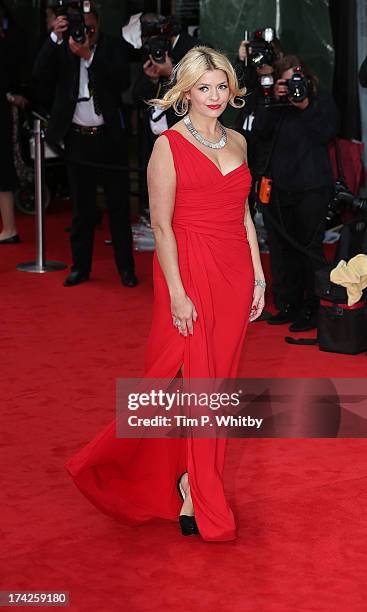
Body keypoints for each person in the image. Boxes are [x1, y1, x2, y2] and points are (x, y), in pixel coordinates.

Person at [64, 46, 266, 542]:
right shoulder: (168, 146)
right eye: (204, 88)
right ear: (186, 91)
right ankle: (196, 487)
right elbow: (160, 224)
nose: (215, 96)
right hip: (190, 271)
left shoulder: (239, 141)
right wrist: (176, 292)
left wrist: (260, 276)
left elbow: (243, 217)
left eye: (222, 86)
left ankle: (191, 480)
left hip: (236, 274)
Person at [33, 3, 137, 287]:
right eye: (81, 28)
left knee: (118, 206)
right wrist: (55, 38)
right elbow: (39, 74)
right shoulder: (63, 48)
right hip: (77, 138)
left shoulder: (112, 48)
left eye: (90, 28)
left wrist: (89, 56)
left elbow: (121, 80)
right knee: (82, 209)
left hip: (109, 138)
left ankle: (126, 269)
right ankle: (80, 267)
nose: (84, 34)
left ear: (99, 26)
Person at [253, 55, 338, 331]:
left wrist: (304, 107)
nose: (292, 88)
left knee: (309, 248)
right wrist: (271, 101)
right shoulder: (275, 103)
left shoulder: (320, 99)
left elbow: (327, 133)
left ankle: (313, 307)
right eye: (285, 83)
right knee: (280, 248)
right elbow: (259, 131)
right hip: (279, 187)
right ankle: (287, 304)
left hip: (312, 186)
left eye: (296, 82)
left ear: (308, 77)